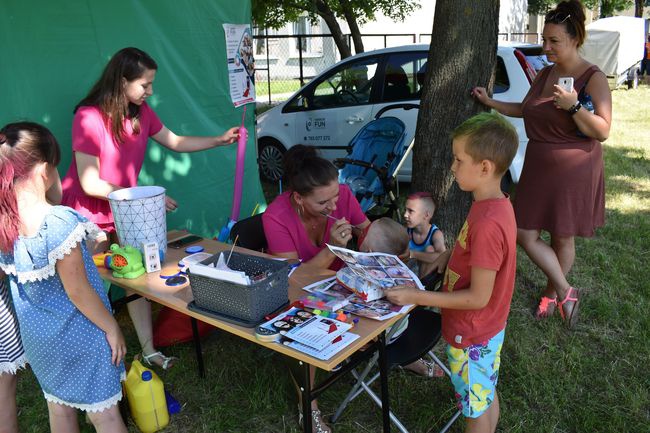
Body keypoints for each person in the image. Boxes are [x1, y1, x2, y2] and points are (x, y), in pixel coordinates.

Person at [61, 47, 240, 369]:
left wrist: (218, 139)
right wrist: (143, 199)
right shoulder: (88, 116)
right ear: (121, 82)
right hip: (88, 214)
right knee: (84, 284)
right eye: (145, 84)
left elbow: (174, 141)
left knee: (138, 275)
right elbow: (89, 183)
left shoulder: (141, 114)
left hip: (125, 209)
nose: (150, 91)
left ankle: (149, 350)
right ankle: (81, 352)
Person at [471, 0, 611, 326]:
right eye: (544, 40)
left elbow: (603, 131)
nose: (546, 48)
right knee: (524, 232)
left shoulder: (592, 77)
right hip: (539, 163)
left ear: (575, 39)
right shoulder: (546, 73)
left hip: (573, 168)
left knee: (562, 236)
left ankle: (551, 293)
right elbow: (526, 108)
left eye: (554, 42)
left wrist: (575, 107)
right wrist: (490, 101)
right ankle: (565, 290)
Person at [385, 112, 519, 433]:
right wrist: (444, 255)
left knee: (474, 409)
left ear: (484, 167)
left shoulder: (488, 223)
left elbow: (477, 297)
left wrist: (415, 295)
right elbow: (475, 254)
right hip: (486, 329)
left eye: (459, 160)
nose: (453, 167)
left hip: (471, 332)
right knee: (483, 392)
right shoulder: (491, 203)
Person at [0, 122, 127, 433]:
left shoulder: (6, 224)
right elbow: (79, 291)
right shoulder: (59, 222)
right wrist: (112, 327)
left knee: (59, 411)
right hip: (80, 336)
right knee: (106, 416)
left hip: (41, 342)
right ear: (45, 170)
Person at [263, 145, 371, 433]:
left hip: (342, 285)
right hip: (300, 291)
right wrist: (331, 248)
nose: (334, 206)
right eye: (324, 202)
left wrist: (378, 249)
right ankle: (308, 408)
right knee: (304, 335)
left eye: (336, 196)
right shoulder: (276, 217)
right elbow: (292, 277)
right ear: (298, 197)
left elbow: (367, 231)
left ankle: (394, 353)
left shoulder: (343, 195)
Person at [358, 217, 444, 379]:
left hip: (385, 338)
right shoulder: (401, 271)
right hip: (404, 326)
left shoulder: (369, 280)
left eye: (364, 233)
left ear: (368, 252)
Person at [403, 192, 446, 277]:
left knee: (430, 249)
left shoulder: (435, 234)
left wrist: (413, 254)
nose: (405, 215)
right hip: (406, 272)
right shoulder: (406, 231)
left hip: (424, 274)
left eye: (410, 211)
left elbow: (442, 256)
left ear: (426, 215)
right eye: (405, 210)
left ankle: (421, 286)